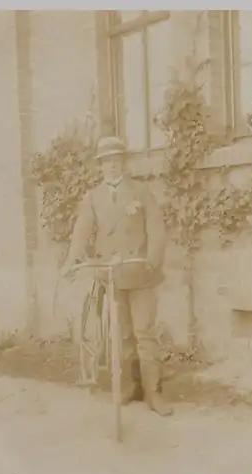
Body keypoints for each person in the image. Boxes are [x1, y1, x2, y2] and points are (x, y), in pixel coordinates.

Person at [61, 136, 173, 417]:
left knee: (144, 333)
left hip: (140, 272)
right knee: (121, 334)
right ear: (100, 166)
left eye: (116, 160)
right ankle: (130, 386)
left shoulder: (140, 192)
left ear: (124, 162)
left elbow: (157, 229)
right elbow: (82, 232)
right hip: (111, 275)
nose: (111, 166)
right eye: (106, 162)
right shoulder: (93, 197)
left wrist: (153, 259)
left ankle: (153, 391)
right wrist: (72, 261)